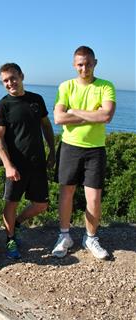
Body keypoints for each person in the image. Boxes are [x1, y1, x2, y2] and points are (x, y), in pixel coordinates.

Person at [52, 46, 116, 260]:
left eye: (88, 63)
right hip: (70, 146)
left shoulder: (106, 86)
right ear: (74, 65)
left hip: (95, 149)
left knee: (94, 198)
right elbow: (59, 118)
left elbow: (106, 116)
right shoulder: (66, 86)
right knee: (66, 193)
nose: (84, 68)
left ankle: (90, 237)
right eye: (80, 64)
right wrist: (92, 114)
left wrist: (75, 112)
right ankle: (64, 236)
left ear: (95, 63)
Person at [0, 63, 55, 259]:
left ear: (21, 76)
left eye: (13, 78)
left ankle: (16, 223)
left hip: (37, 162)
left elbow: (46, 125)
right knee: (11, 203)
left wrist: (52, 150)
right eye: (5, 80)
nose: (10, 83)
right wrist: (8, 165)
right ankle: (10, 238)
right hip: (15, 166)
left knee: (41, 205)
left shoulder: (36, 100)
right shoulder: (2, 106)